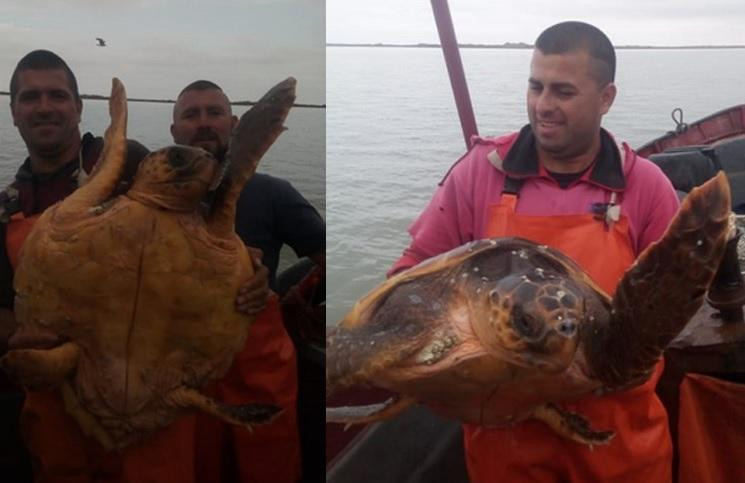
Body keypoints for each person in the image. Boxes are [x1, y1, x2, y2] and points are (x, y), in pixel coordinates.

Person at [388, 22, 679, 482]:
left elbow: (673, 312)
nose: (543, 105)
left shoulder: (648, 189)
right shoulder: (479, 174)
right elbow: (406, 280)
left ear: (606, 98)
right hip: (507, 451)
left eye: (563, 91)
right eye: (535, 86)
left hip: (622, 447)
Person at [0, 50, 271, 482]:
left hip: (159, 406)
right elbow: (6, 317)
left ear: (78, 105)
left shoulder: (135, 165)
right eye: (31, 98)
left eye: (57, 95)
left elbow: (209, 242)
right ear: (13, 111)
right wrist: (18, 337)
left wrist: (250, 269)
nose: (45, 106)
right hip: (61, 393)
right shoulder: (6, 209)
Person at [170, 80, 325, 482]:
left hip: (259, 376)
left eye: (214, 112)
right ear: (174, 132)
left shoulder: (274, 195)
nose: (203, 123)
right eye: (191, 114)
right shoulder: (151, 202)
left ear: (235, 124)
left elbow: (331, 257)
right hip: (178, 379)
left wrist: (292, 298)